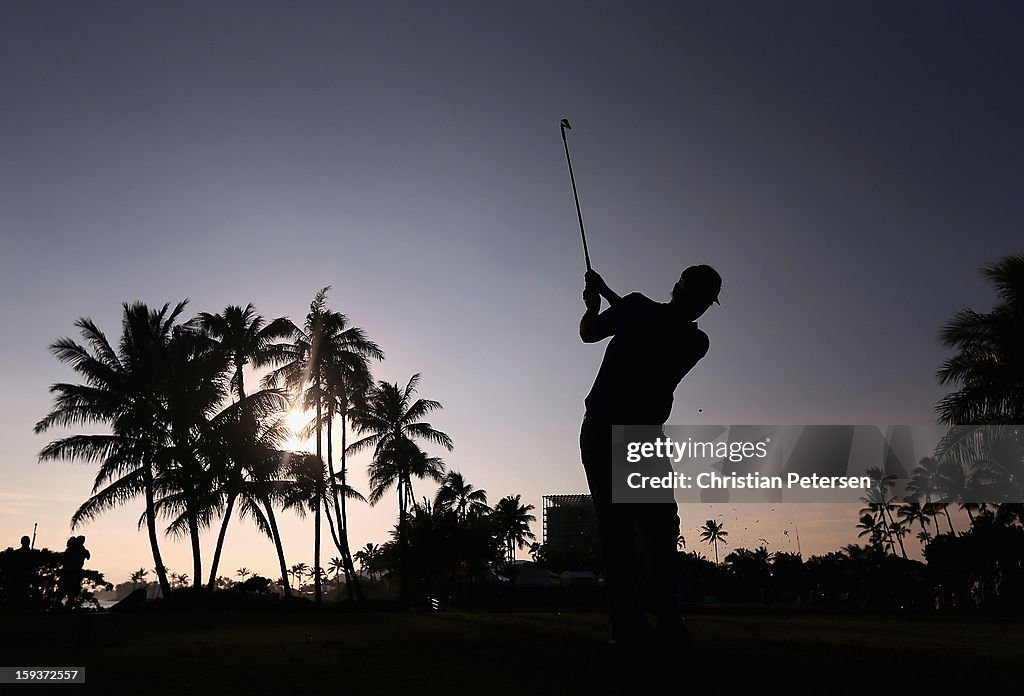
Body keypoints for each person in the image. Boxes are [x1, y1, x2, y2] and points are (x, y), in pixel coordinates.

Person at [579, 264, 721, 645]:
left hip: (629, 433)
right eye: (700, 298)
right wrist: (608, 294)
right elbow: (644, 319)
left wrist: (595, 304)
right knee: (626, 528)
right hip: (614, 431)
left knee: (654, 528)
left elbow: (591, 332)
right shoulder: (686, 336)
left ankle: (656, 616)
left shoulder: (689, 338)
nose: (702, 307)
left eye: (706, 302)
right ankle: (630, 621)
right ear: (681, 290)